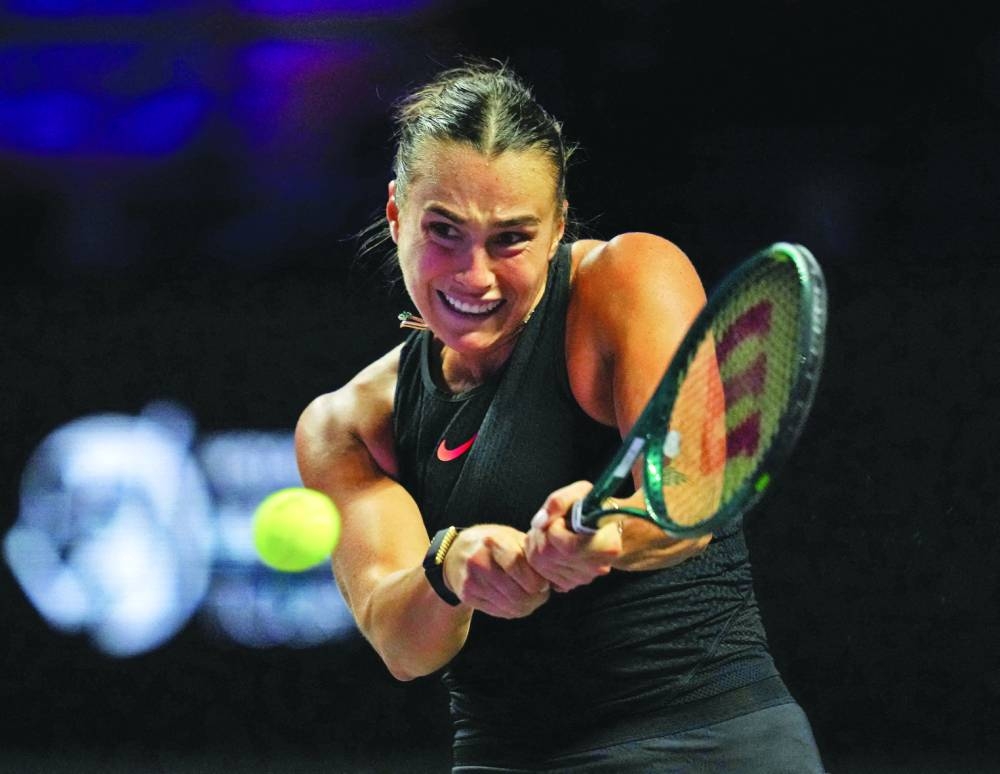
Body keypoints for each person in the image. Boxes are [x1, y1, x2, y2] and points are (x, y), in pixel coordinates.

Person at [295, 61, 825, 772]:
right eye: (444, 231)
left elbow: (692, 489)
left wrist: (603, 535)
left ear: (557, 229)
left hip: (704, 739)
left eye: (510, 238)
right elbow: (401, 642)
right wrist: (453, 568)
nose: (473, 275)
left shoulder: (628, 279)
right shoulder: (346, 425)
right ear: (396, 218)